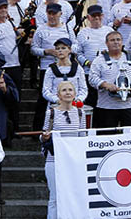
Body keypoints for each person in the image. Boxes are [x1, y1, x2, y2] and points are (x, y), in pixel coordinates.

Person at [40, 81, 87, 219]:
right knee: (55, 197)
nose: (68, 92)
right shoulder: (51, 113)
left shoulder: (80, 113)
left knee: (73, 195)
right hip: (54, 160)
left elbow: (82, 137)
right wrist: (44, 137)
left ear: (75, 94)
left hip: (73, 162)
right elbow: (43, 135)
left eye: (70, 90)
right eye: (64, 90)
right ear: (58, 95)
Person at [31, 3, 77, 131]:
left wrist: (65, 51)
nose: (52, 16)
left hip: (66, 68)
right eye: (49, 13)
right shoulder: (40, 29)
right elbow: (34, 49)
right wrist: (47, 51)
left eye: (54, 13)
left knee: (66, 95)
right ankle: (39, 129)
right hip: (47, 67)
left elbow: (76, 46)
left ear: (60, 14)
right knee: (44, 98)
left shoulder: (67, 28)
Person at [88, 31, 131, 131]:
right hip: (107, 107)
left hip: (130, 106)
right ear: (106, 43)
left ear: (122, 42)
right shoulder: (99, 60)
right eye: (112, 40)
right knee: (106, 137)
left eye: (118, 40)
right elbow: (92, 78)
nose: (116, 42)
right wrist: (105, 84)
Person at [73, 5, 113, 106]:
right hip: (88, 72)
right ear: (88, 17)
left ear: (102, 16)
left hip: (106, 73)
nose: (96, 18)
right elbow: (78, 53)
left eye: (98, 15)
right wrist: (87, 62)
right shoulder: (82, 33)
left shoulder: (109, 31)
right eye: (93, 15)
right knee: (91, 101)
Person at [42, 38, 88, 105]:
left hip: (74, 105)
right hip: (56, 106)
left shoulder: (78, 69)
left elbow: (83, 89)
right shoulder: (50, 70)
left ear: (69, 50)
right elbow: (46, 91)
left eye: (63, 48)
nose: (60, 50)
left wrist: (78, 99)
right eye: (57, 49)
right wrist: (57, 100)